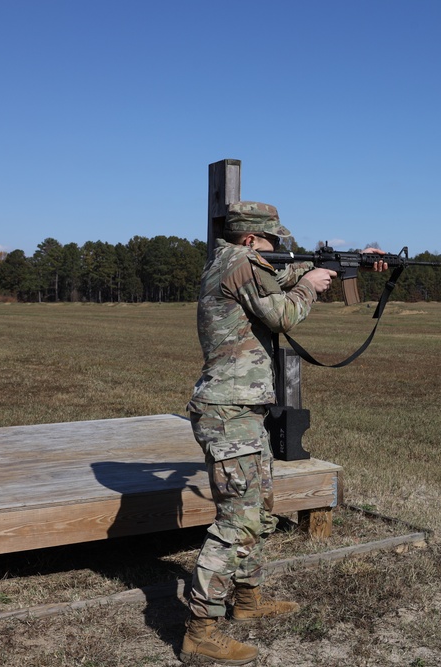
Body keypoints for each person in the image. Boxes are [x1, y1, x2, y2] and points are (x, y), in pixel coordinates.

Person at [180, 200, 386, 665]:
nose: (280, 250)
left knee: (259, 507)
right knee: (238, 520)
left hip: (242, 410)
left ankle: (247, 602)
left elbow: (285, 277)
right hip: (229, 411)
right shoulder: (242, 264)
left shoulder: (240, 262)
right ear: (251, 239)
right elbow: (284, 315)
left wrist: (348, 261)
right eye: (275, 242)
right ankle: (200, 630)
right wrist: (313, 285)